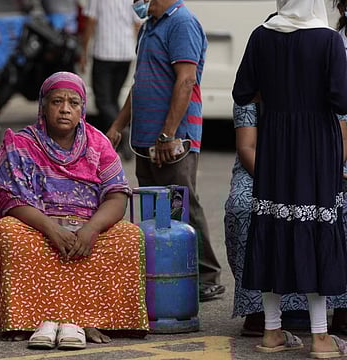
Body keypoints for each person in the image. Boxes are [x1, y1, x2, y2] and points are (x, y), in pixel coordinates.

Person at [0, 71, 149, 349]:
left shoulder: (98, 143)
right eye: (57, 101)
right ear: (43, 106)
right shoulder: (21, 143)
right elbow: (11, 200)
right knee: (8, 232)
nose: (65, 109)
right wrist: (52, 230)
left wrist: (91, 229)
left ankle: (89, 318)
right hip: (39, 228)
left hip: (87, 232)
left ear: (82, 109)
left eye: (73, 103)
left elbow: (116, 195)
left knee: (128, 237)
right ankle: (30, 319)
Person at [232, 0, 347, 357]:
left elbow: (241, 91)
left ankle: (271, 332)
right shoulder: (328, 40)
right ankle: (321, 338)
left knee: (273, 226)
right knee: (316, 231)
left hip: (276, 145)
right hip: (316, 148)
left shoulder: (261, 36)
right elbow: (341, 97)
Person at [105, 0, 225, 301]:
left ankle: (206, 276)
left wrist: (168, 134)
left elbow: (186, 81)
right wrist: (118, 125)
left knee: (180, 204)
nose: (135, 2)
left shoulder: (182, 23)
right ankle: (166, 272)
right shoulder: (149, 27)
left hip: (174, 140)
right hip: (147, 139)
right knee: (155, 211)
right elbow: (141, 83)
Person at [225, 102, 347, 337]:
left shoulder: (331, 77)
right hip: (264, 169)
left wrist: (319, 174)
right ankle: (258, 311)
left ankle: (342, 306)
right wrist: (278, 183)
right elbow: (247, 146)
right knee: (241, 206)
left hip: (325, 164)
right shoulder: (253, 87)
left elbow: (342, 140)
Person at [79, 0, 141, 160]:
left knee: (103, 101)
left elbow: (91, 20)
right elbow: (137, 24)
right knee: (112, 99)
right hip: (126, 52)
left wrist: (84, 51)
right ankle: (117, 143)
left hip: (104, 52)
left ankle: (121, 130)